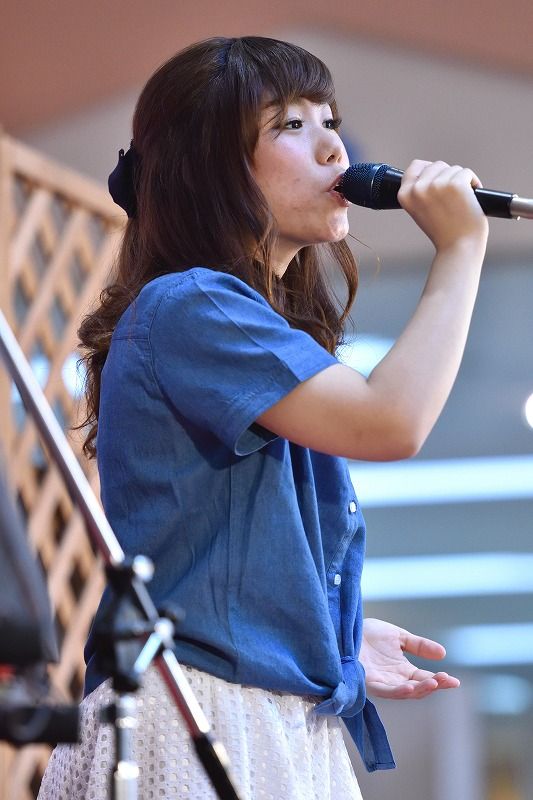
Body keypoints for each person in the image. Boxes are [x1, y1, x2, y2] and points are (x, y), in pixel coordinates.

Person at [37, 35, 487, 800]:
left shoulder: (237, 321)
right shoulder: (193, 304)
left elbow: (221, 549)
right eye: (289, 125)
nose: (333, 146)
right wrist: (460, 249)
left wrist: (327, 635)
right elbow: (390, 422)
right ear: (210, 167)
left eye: (328, 119)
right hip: (196, 710)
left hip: (261, 709)